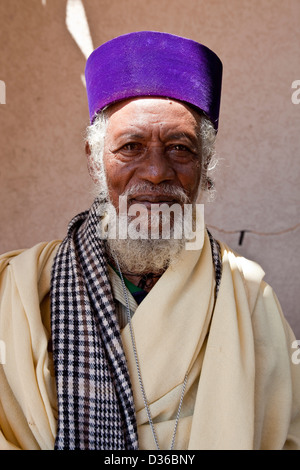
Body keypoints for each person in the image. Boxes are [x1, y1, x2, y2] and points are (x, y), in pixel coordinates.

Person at [0, 31, 299, 451]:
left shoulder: (249, 297)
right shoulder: (21, 290)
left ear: (205, 165)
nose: (156, 171)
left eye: (180, 148)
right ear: (95, 162)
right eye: (131, 147)